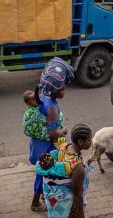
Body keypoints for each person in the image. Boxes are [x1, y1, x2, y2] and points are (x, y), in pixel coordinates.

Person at [29, 57, 73, 212]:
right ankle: (35, 202)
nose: (64, 91)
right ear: (55, 90)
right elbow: (54, 134)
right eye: (62, 88)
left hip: (37, 144)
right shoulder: (52, 108)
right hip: (46, 147)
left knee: (42, 172)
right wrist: (64, 130)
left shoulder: (42, 96)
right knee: (43, 173)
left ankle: (42, 195)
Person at [36, 124, 92, 218]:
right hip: (68, 204)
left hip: (56, 198)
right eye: (89, 140)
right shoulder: (78, 167)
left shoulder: (64, 146)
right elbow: (77, 195)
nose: (92, 142)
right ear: (80, 141)